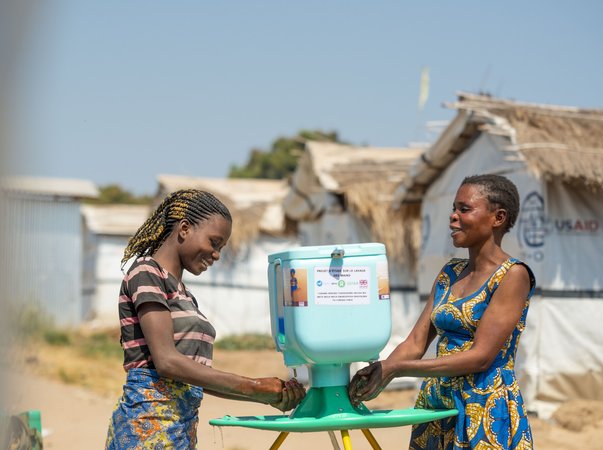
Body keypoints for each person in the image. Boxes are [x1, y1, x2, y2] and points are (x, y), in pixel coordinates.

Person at [106, 189, 305, 449]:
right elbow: (166, 362)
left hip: (180, 428)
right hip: (147, 427)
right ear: (185, 228)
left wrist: (264, 397)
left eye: (221, 247)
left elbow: (195, 376)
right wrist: (251, 385)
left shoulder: (185, 296)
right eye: (214, 242)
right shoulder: (146, 272)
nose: (217, 255)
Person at [349, 174, 535, 449]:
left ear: (498, 217)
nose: (453, 217)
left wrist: (397, 368)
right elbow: (414, 343)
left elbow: (480, 358)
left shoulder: (512, 276)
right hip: (437, 405)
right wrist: (379, 374)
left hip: (483, 408)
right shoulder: (450, 273)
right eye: (453, 208)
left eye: (464, 209)